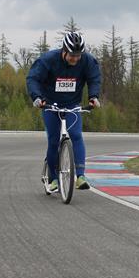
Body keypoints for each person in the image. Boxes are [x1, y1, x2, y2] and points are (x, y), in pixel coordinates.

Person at [26, 31, 102, 191]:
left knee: (76, 135)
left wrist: (93, 96)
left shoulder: (87, 60)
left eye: (78, 55)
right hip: (50, 104)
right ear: (64, 51)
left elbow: (94, 78)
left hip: (72, 104)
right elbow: (33, 78)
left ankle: (80, 176)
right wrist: (37, 97)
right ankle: (53, 179)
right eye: (72, 55)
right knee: (54, 140)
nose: (75, 59)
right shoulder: (48, 60)